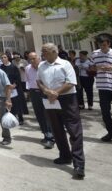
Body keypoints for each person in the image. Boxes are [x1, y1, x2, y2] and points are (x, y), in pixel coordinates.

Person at [37, 43, 85, 179]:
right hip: (50, 101)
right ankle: (64, 155)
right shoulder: (42, 65)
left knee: (74, 131)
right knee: (57, 130)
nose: (43, 53)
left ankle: (79, 164)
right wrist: (46, 90)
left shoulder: (65, 64)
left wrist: (56, 93)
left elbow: (71, 83)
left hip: (67, 100)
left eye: (44, 51)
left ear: (54, 52)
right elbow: (39, 81)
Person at [25, 51, 54, 149]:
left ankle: (51, 138)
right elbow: (28, 81)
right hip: (34, 93)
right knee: (39, 114)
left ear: (39, 58)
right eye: (30, 59)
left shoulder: (45, 66)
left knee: (47, 115)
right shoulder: (28, 68)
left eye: (34, 58)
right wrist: (29, 92)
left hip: (45, 92)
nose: (32, 61)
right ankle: (45, 134)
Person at [0, 53, 24, 125]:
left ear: (8, 58)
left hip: (14, 88)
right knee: (8, 104)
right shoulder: (1, 68)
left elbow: (18, 77)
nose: (3, 59)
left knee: (17, 103)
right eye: (2, 57)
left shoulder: (13, 67)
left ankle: (20, 118)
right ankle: (11, 119)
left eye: (4, 57)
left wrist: (14, 85)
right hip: (6, 88)